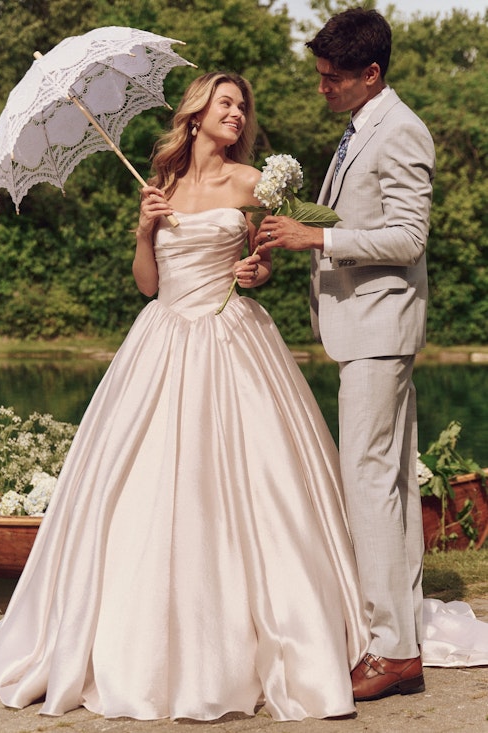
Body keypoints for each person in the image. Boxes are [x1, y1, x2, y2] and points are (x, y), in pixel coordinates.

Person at [0, 71, 370, 722]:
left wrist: (254, 269)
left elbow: (263, 265)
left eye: (242, 105)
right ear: (198, 113)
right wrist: (145, 231)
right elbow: (147, 285)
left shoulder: (253, 182)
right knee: (140, 488)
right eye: (225, 103)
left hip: (234, 338)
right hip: (161, 339)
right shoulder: (159, 188)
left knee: (256, 487)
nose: (236, 113)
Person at [256, 8, 436, 702]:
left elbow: (407, 237)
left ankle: (391, 651)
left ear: (371, 74)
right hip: (367, 331)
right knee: (384, 487)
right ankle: (400, 639)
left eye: (332, 80)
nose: (322, 88)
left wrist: (318, 241)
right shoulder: (361, 127)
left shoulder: (402, 130)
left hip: (379, 332)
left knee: (368, 484)